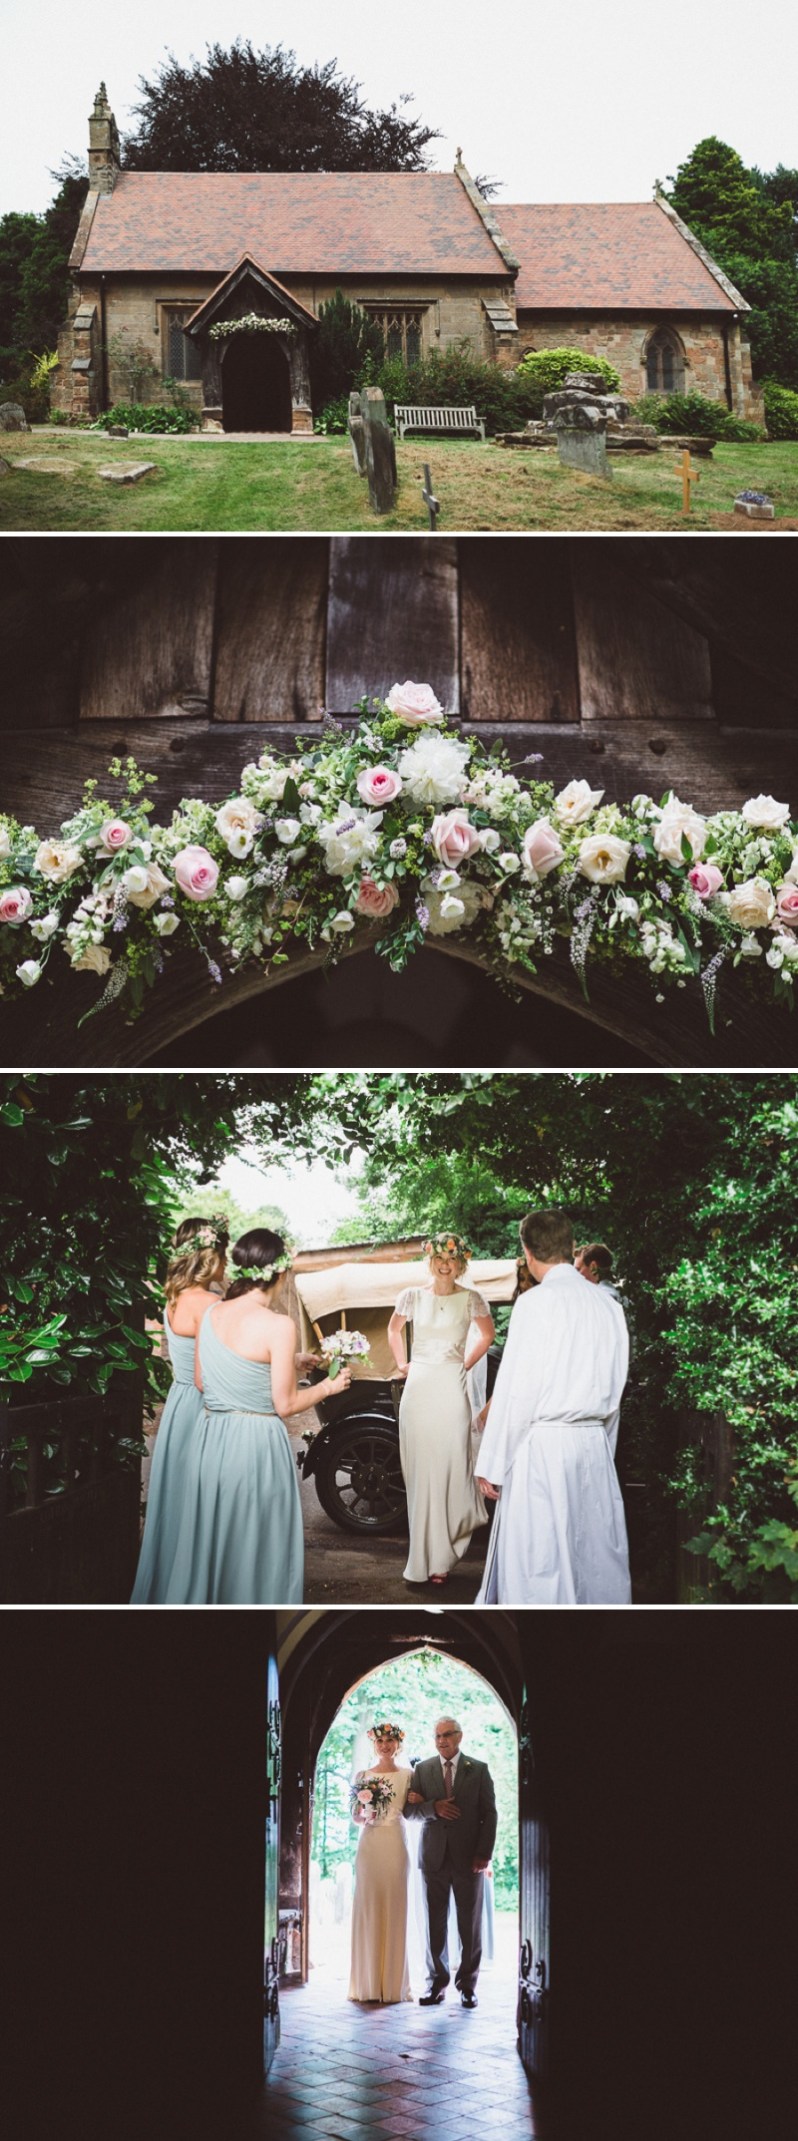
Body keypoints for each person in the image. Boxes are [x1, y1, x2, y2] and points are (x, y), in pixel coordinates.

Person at [154, 1228, 351, 1605]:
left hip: (211, 1439)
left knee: (213, 1535)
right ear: (281, 1273)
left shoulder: (212, 1313)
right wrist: (329, 1387)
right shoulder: (279, 1325)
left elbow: (202, 1378)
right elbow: (286, 1404)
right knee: (256, 1539)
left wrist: (281, 1364)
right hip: (256, 1444)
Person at [476, 1208, 631, 1607]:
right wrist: (604, 1449)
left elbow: (518, 1391)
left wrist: (492, 1462)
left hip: (543, 1448)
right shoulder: (609, 1307)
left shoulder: (534, 1305)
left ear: (527, 1252)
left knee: (540, 1561)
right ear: (569, 1247)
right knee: (593, 1557)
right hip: (592, 1445)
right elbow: (616, 1388)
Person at [130, 1214, 228, 1605]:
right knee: (202, 1502)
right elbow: (220, 1371)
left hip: (179, 1404)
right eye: (222, 1252)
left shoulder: (174, 1298)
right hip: (205, 1408)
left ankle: (171, 1581)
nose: (226, 1262)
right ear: (208, 1255)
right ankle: (198, 1587)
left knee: (178, 1503)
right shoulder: (209, 1303)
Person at [388, 1231, 495, 1587]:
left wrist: (464, 1363)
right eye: (439, 1259)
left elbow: (488, 1335)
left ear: (460, 1263)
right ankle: (426, 1560)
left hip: (451, 1388)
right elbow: (393, 1330)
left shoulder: (472, 1299)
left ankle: (447, 1549)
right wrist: (404, 1364)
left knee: (451, 1466)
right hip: (418, 1390)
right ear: (430, 1261)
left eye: (452, 1260)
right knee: (421, 1475)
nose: (445, 1266)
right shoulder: (411, 1297)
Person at [406, 1716, 497, 2009]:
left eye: (446, 1735)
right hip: (433, 1857)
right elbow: (410, 1812)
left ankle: (467, 1986)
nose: (441, 1740)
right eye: (437, 1736)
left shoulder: (478, 1769)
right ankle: (436, 1983)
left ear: (459, 1736)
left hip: (470, 1858)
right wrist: (434, 1807)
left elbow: (490, 1814)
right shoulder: (423, 1769)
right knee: (435, 1923)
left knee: (469, 1924)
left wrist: (484, 1853)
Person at [348, 1722, 414, 2006]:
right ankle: (368, 1983)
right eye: (380, 1742)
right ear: (374, 1745)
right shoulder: (363, 1775)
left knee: (394, 1907)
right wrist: (365, 1817)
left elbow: (414, 1811)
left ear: (398, 1744)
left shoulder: (409, 1775)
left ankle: (392, 1985)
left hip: (395, 1844)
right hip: (370, 1844)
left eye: (390, 1741)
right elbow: (355, 1816)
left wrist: (418, 1801)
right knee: (369, 1907)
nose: (385, 1746)